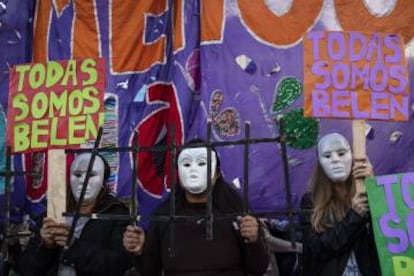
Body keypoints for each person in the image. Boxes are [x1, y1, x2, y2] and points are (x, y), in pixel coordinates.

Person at [123, 139, 269, 276]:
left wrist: (254, 240)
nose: (194, 170)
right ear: (178, 173)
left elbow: (258, 268)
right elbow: (150, 271)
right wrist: (141, 251)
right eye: (186, 164)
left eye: (202, 163)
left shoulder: (236, 211)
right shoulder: (165, 215)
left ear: (217, 173)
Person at [16, 153, 131, 276]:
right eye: (78, 175)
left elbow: (118, 266)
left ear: (103, 182)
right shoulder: (53, 213)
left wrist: (73, 246)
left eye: (91, 175)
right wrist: (46, 247)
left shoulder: (116, 214)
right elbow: (26, 269)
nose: (83, 181)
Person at [300, 133, 381, 276]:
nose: (335, 160)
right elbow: (315, 249)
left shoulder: (368, 195)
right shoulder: (311, 201)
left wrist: (373, 189)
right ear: (320, 162)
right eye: (327, 156)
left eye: (341, 153)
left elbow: (387, 239)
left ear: (352, 157)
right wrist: (354, 216)